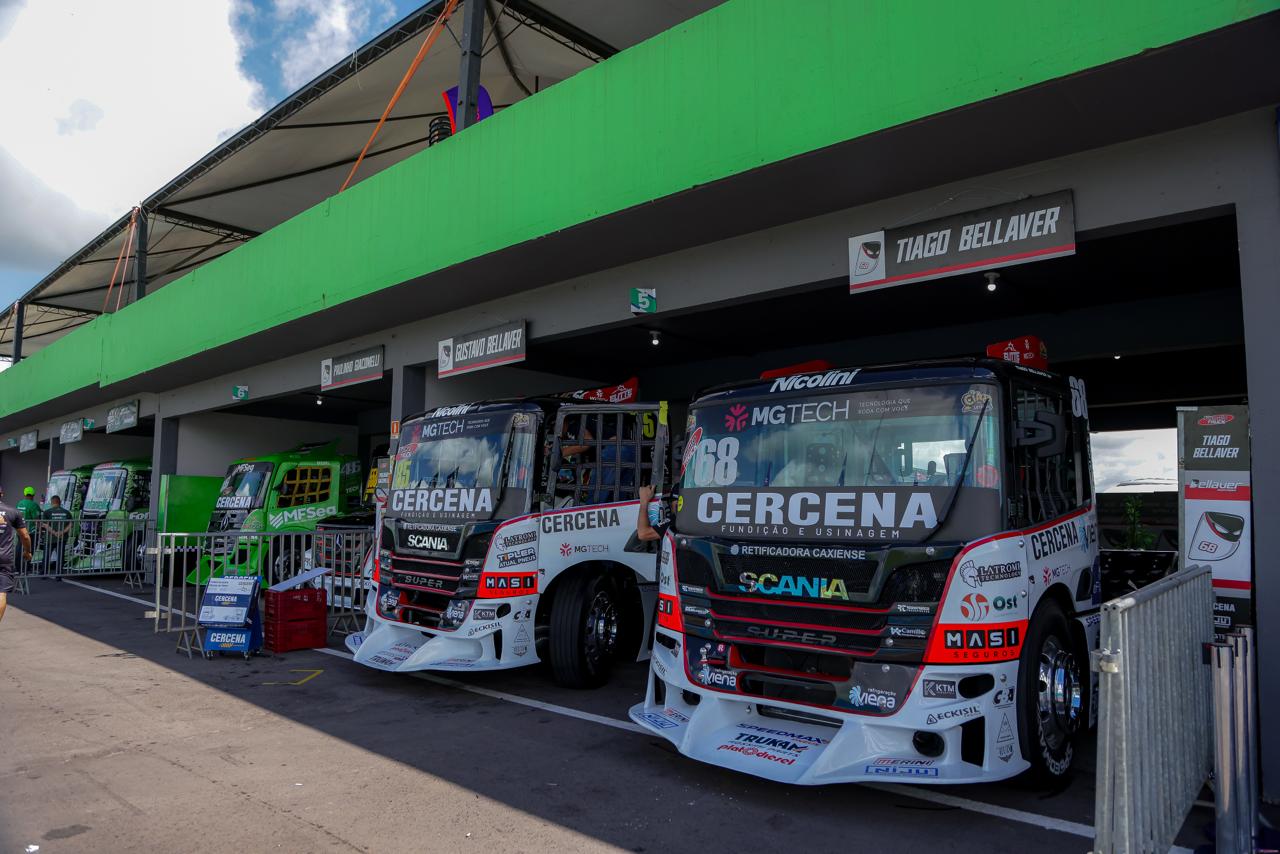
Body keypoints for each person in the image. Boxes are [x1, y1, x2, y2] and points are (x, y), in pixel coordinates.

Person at [0, 495, 33, 626]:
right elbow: (24, 535)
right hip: (4, 558)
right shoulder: (12, 511)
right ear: (2, 494)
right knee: (1, 593)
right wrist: (27, 551)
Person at [40, 494, 73, 570]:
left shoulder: (47, 512)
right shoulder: (67, 512)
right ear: (60, 502)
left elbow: (45, 525)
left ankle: (44, 572)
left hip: (50, 538)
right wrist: (62, 532)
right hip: (62, 538)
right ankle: (59, 573)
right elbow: (71, 524)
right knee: (60, 556)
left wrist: (54, 532)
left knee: (46, 556)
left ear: (51, 502)